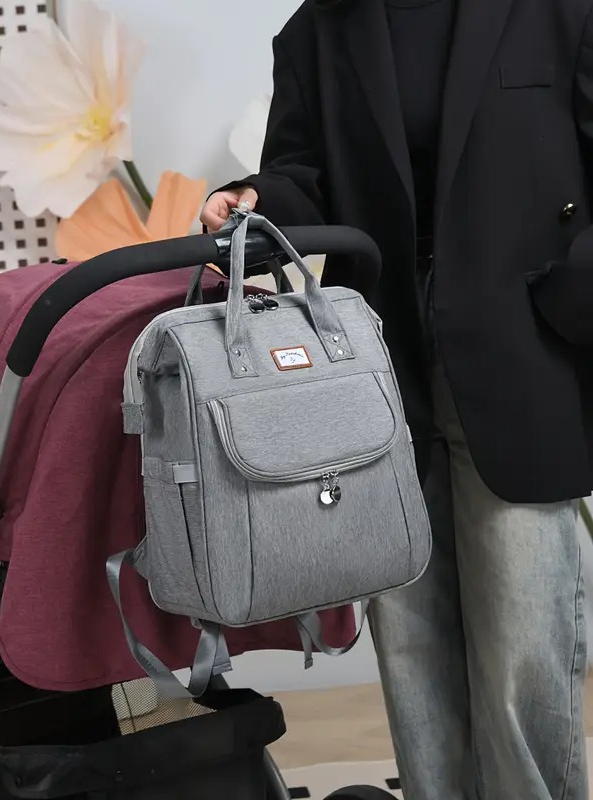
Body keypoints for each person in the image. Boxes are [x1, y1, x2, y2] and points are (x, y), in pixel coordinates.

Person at [201, 1, 593, 798]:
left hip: (524, 353)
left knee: (522, 640)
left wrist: (573, 303)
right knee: (412, 642)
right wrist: (253, 199)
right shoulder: (320, 29)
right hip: (382, 363)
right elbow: (304, 174)